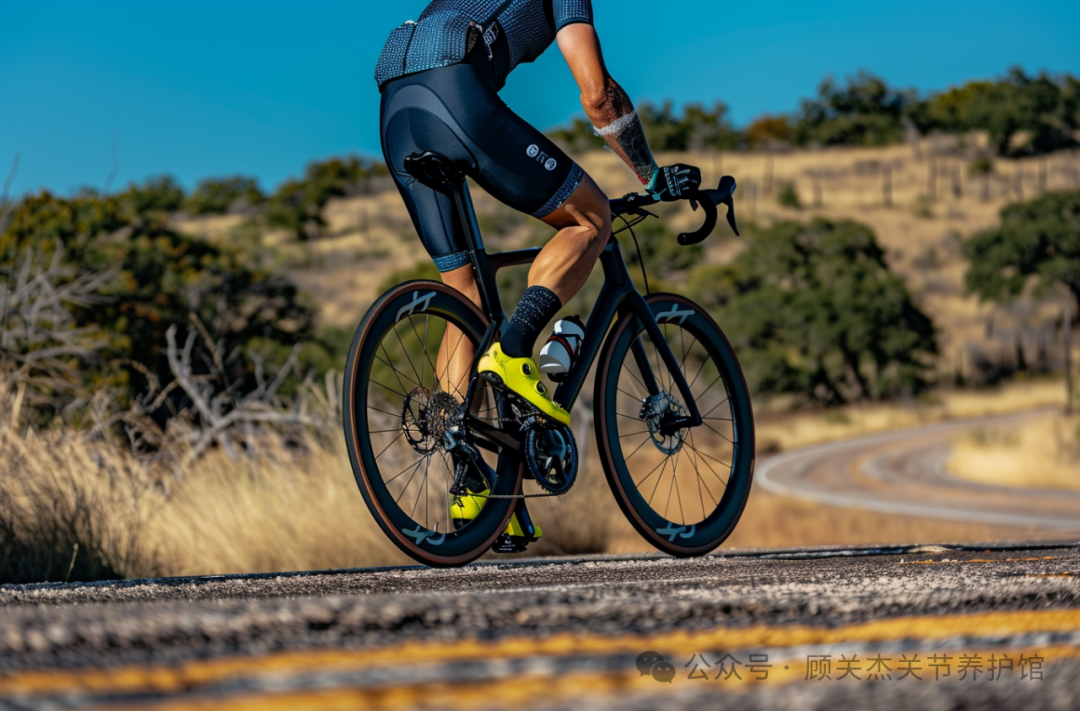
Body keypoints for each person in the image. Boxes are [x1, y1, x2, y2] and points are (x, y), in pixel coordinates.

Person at [376, 0, 701, 428]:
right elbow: (599, 95)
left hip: (395, 112)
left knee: (463, 292)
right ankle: (513, 353)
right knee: (591, 219)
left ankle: (466, 469)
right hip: (453, 91)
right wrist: (651, 176)